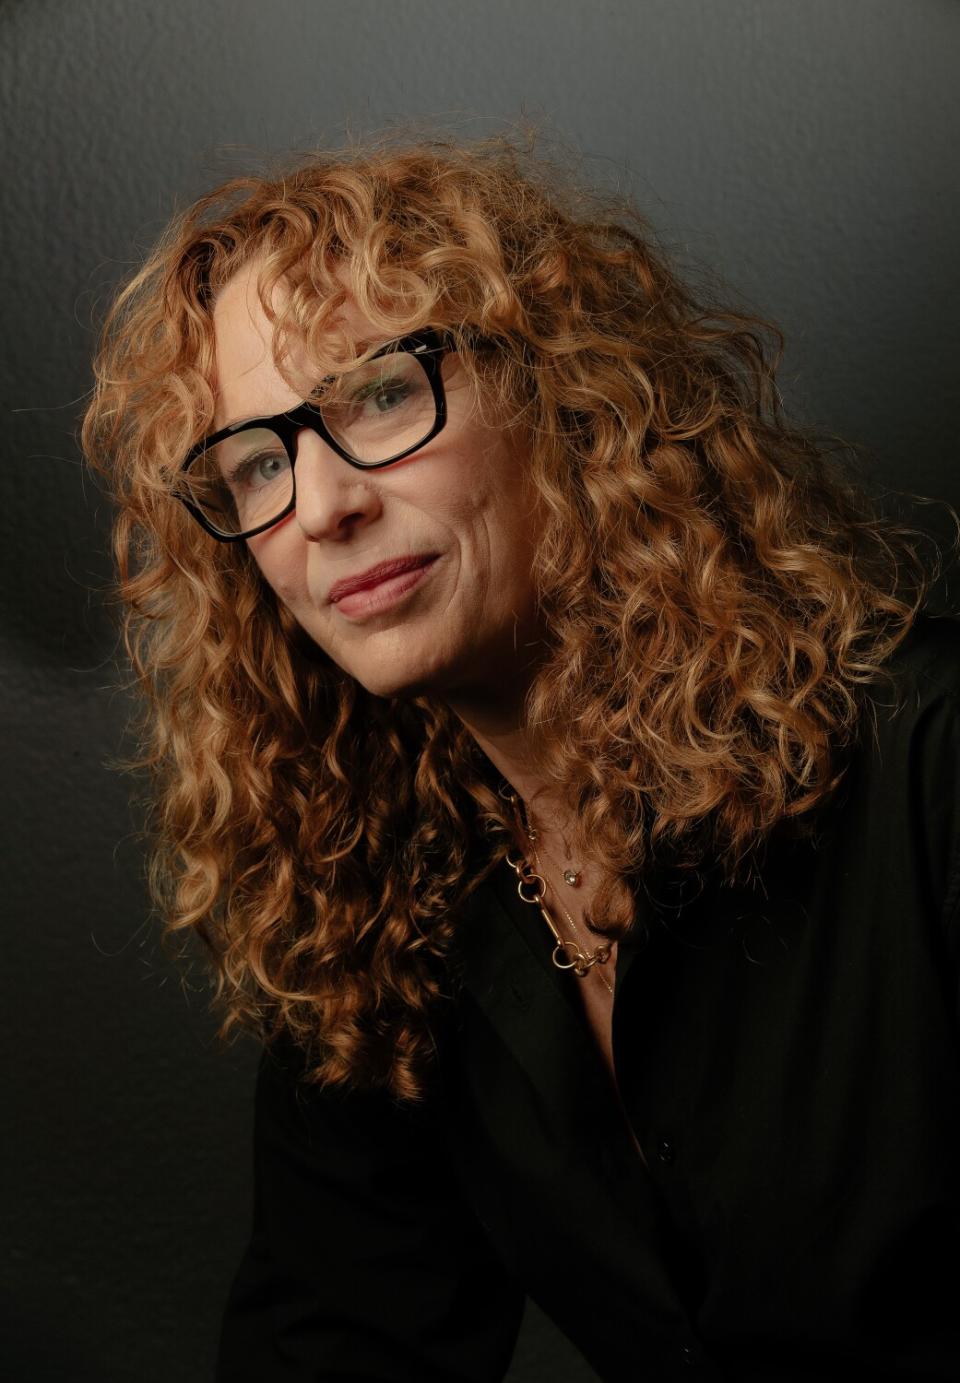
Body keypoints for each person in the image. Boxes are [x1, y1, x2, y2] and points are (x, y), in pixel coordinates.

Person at [83, 132, 960, 1381]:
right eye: (260, 462)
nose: (323, 505)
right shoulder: (379, 909)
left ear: (563, 394)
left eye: (381, 392)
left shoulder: (931, 768)